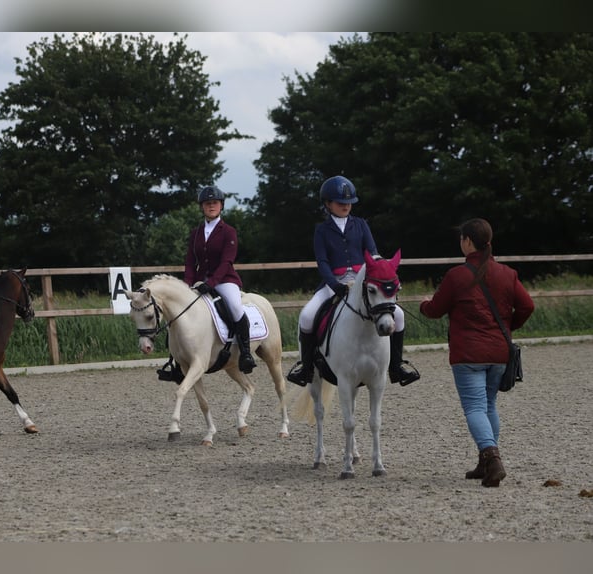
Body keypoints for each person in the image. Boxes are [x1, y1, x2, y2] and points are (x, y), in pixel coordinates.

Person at [420, 218, 534, 487]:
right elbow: (527, 306)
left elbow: (435, 310)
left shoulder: (456, 276)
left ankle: (492, 458)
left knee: (474, 407)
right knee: (488, 405)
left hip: (468, 355)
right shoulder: (507, 273)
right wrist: (506, 328)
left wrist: (424, 305)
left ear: (468, 242)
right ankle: (484, 464)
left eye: (461, 239)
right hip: (499, 353)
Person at [287, 175, 420, 386]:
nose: (346, 206)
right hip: (335, 282)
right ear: (328, 204)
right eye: (341, 203)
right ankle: (306, 368)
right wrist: (335, 286)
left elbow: (373, 254)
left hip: (363, 282)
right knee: (306, 315)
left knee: (400, 315)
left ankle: (396, 367)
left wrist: (381, 274)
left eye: (349, 203)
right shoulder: (321, 230)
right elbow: (322, 262)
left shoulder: (361, 225)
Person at [184, 185, 256, 374]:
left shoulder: (228, 231)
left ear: (221, 206)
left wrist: (213, 282)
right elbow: (190, 262)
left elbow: (227, 261)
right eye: (207, 203)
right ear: (202, 207)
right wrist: (187, 286)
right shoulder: (196, 233)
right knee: (182, 311)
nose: (211, 206)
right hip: (200, 282)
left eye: (214, 203)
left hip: (225, 280)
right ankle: (177, 360)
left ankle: (246, 353)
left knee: (234, 306)